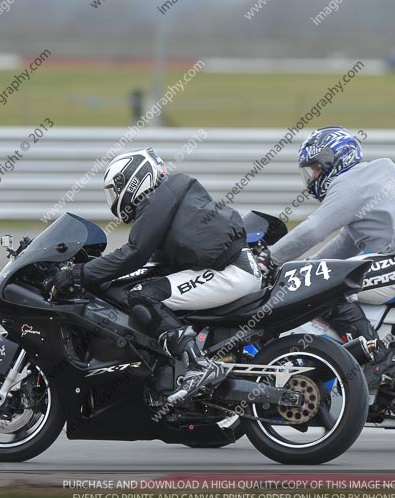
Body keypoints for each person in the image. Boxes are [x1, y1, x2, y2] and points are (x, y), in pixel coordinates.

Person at [54, 148, 262, 403]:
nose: (114, 198)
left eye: (114, 189)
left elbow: (134, 253)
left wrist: (81, 274)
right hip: (230, 269)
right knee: (147, 289)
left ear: (132, 180)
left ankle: (199, 366)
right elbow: (148, 261)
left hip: (231, 273)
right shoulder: (168, 197)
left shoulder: (157, 200)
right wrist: (98, 269)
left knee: (142, 295)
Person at [257, 126, 395, 384]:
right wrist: (304, 269)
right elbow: (346, 244)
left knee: (327, 289)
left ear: (332, 160)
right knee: (321, 278)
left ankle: (379, 358)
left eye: (315, 168)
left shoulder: (351, 183)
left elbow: (313, 230)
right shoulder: (369, 178)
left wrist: (268, 259)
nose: (313, 177)